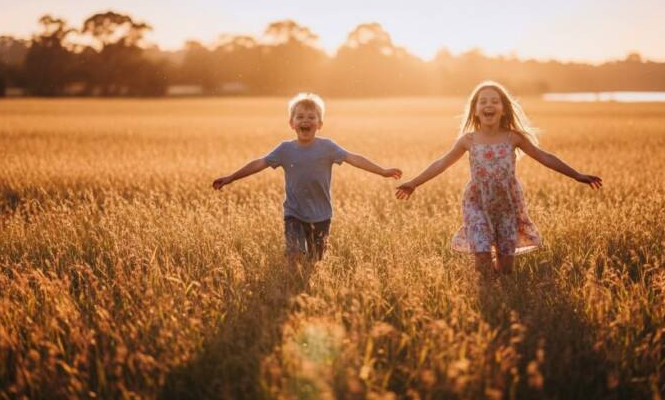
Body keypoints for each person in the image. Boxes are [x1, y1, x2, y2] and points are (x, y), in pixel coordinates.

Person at [395, 81, 602, 277]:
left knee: (505, 270)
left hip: (507, 204)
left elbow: (544, 157)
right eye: (483, 101)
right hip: (477, 202)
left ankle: (500, 289)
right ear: (475, 110)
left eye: (494, 101)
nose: (489, 105)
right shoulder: (468, 140)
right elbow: (441, 163)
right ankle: (486, 290)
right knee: (482, 255)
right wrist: (414, 183)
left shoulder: (513, 138)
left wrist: (577, 175)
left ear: (503, 109)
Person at [213, 92, 402, 263]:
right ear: (292, 123)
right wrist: (231, 177)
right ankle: (291, 290)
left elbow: (353, 158)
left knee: (316, 261)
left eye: (311, 117)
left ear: (319, 124)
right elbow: (260, 163)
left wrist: (382, 171)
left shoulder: (327, 147)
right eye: (300, 117)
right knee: (294, 255)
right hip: (293, 213)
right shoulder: (285, 150)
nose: (306, 121)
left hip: (321, 215)